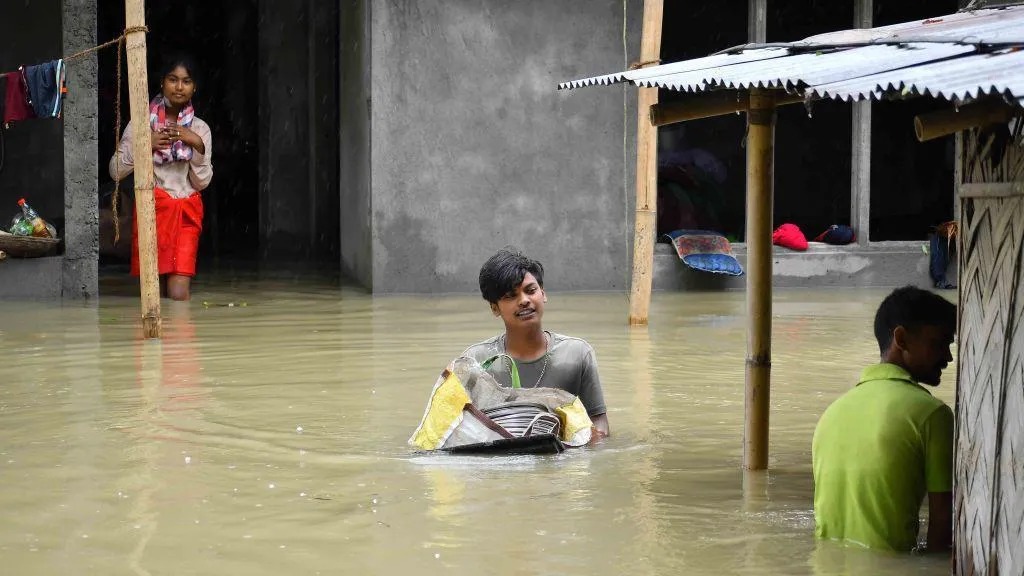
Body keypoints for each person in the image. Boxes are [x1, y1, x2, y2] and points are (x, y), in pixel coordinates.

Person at [812, 286, 956, 553]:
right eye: (940, 343)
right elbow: (942, 526)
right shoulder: (932, 414)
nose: (948, 357)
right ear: (901, 339)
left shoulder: (831, 413)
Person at [462, 248, 610, 439]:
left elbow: (599, 423)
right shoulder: (476, 361)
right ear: (494, 308)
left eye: (531, 291)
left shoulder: (577, 354)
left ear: (543, 294)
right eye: (511, 296)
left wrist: (579, 447)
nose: (524, 300)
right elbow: (460, 429)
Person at [109, 52, 213, 301]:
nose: (179, 87)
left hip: (186, 212)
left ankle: (179, 327)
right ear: (162, 83)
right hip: (152, 211)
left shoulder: (200, 129)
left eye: (186, 81)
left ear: (194, 87)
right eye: (172, 79)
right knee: (153, 293)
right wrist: (146, 145)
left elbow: (201, 183)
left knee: (178, 294)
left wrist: (196, 144)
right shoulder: (141, 125)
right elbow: (115, 170)